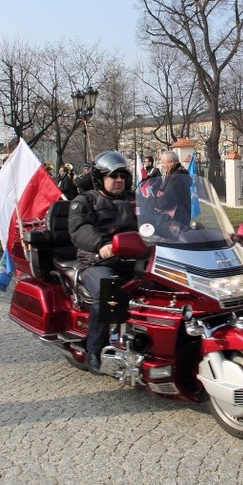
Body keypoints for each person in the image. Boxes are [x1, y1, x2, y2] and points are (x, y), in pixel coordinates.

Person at [68, 151, 137, 374]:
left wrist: (176, 227)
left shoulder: (134, 199)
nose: (119, 180)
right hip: (97, 263)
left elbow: (156, 220)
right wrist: (100, 245)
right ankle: (94, 350)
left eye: (122, 176)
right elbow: (80, 230)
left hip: (134, 259)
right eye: (113, 176)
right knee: (109, 291)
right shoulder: (85, 201)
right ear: (100, 178)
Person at [154, 150, 192, 234]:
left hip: (176, 222)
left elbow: (167, 201)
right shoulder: (178, 174)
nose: (162, 166)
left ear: (171, 162)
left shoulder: (177, 177)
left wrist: (153, 200)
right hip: (181, 218)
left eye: (163, 163)